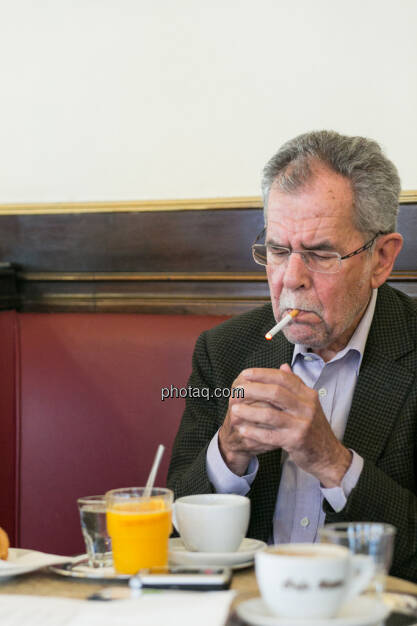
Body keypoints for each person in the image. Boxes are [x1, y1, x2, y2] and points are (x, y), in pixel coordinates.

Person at [167, 130, 417, 581]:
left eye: (320, 254)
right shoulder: (225, 351)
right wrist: (228, 453)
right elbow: (170, 533)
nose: (290, 279)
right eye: (278, 251)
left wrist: (331, 461)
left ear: (381, 258)